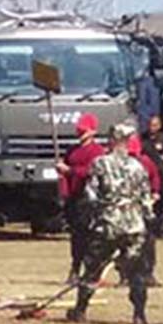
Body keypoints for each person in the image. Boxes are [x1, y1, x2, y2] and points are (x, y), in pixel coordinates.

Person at [67, 123, 154, 324]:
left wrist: (97, 213)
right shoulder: (138, 166)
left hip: (108, 224)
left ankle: (80, 310)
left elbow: (90, 194)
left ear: (112, 140)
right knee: (136, 272)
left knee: (93, 268)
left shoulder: (100, 163)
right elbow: (146, 199)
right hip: (134, 226)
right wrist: (146, 218)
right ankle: (139, 315)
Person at [56, 113, 105, 283]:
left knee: (90, 236)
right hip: (74, 198)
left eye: (84, 131)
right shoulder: (72, 150)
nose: (80, 134)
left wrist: (70, 170)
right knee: (76, 236)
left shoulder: (97, 151)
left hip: (90, 198)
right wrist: (64, 190)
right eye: (79, 131)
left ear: (92, 132)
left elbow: (91, 171)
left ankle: (91, 270)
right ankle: (75, 268)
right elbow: (65, 173)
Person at [126, 133, 162, 287]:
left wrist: (155, 192)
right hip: (126, 208)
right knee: (126, 242)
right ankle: (126, 274)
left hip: (144, 207)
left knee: (147, 241)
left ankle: (148, 273)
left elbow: (155, 178)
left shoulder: (146, 162)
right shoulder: (119, 163)